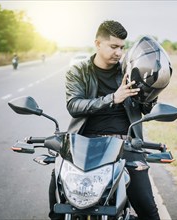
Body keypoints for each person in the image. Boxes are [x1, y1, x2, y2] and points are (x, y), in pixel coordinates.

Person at [49, 20, 161, 220]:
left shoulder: (129, 71)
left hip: (125, 142)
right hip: (83, 141)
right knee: (59, 203)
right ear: (98, 43)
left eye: (121, 47)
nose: (119, 52)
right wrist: (113, 98)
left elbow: (145, 108)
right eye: (113, 46)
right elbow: (74, 105)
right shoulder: (78, 71)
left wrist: (151, 91)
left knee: (148, 211)